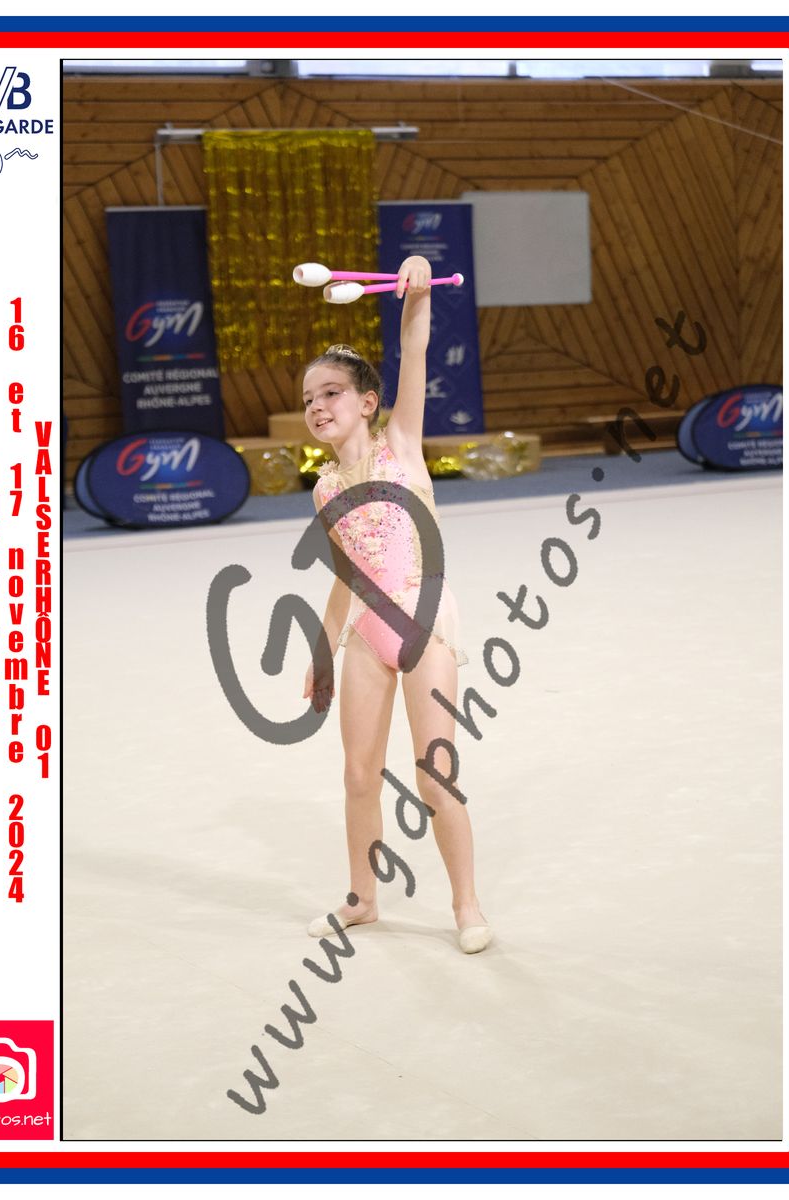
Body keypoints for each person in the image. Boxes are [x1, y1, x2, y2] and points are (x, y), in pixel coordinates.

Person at [301, 254, 492, 954]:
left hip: (423, 622)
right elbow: (345, 574)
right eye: (309, 399)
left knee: (433, 773)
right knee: (358, 774)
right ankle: (362, 899)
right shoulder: (325, 489)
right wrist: (322, 650)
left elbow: (415, 349)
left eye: (331, 393)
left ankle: (467, 905)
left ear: (367, 402)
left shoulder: (402, 447)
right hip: (366, 633)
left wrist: (417, 282)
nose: (318, 407)